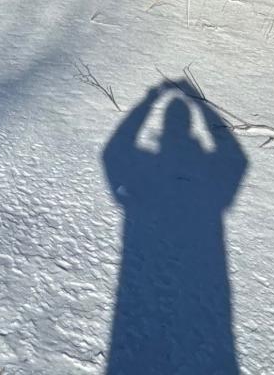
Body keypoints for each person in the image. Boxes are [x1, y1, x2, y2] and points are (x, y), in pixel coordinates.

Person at [100, 80, 247, 374]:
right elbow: (237, 159)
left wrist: (149, 101)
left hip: (146, 256)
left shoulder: (145, 165)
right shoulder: (206, 170)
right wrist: (202, 107)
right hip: (205, 265)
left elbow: (112, 152)